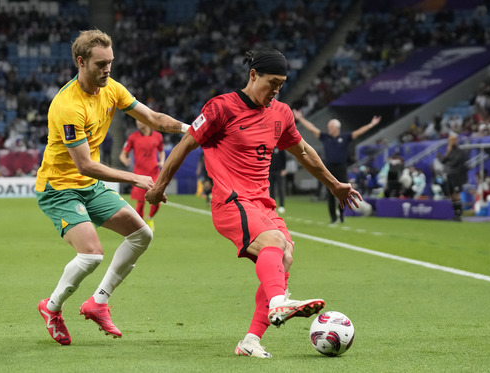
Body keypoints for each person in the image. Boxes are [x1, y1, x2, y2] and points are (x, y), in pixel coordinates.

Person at [145, 48, 361, 359]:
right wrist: (159, 186)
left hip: (262, 203)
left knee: (285, 252)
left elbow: (303, 152)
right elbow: (186, 144)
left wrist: (334, 185)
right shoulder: (221, 108)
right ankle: (278, 303)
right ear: (253, 75)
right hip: (230, 201)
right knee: (274, 244)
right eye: (272, 82)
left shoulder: (281, 114)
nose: (275, 90)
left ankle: (250, 340)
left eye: (282, 84)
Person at [35, 29, 189, 345]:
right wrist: (134, 177)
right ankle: (51, 309)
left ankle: (99, 302)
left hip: (88, 186)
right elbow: (85, 165)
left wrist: (194, 129)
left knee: (142, 234)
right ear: (81, 62)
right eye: (101, 64)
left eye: (111, 62)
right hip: (59, 188)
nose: (108, 70)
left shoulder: (111, 88)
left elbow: (155, 118)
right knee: (91, 256)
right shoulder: (68, 106)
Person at [293, 109, 381, 224]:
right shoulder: (325, 137)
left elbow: (359, 132)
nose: (329, 128)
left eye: (331, 126)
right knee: (330, 194)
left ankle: (342, 216)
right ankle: (333, 218)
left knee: (343, 193)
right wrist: (300, 119)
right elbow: (311, 128)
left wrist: (371, 124)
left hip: (341, 168)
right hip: (329, 168)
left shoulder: (345, 137)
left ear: (336, 128)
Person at [119, 120, 165, 231]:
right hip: (139, 174)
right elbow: (122, 154)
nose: (138, 122)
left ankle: (149, 218)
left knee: (157, 199)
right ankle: (141, 227)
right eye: (136, 120)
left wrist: (162, 160)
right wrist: (125, 160)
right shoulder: (133, 137)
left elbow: (161, 150)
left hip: (154, 173)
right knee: (140, 203)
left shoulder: (158, 136)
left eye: (140, 119)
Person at [442, 133, 468, 221]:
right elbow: (443, 161)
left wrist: (448, 164)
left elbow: (455, 162)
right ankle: (455, 213)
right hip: (449, 175)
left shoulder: (459, 152)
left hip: (456, 176)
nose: (451, 142)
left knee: (456, 193)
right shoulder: (450, 151)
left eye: (452, 140)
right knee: (451, 194)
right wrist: (447, 152)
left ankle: (459, 214)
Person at [269, 147, 287, 213]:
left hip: (279, 171)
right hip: (270, 171)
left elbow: (284, 158)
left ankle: (281, 206)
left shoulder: (280, 148)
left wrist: (284, 169)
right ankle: (272, 206)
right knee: (271, 190)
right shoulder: (269, 147)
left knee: (280, 189)